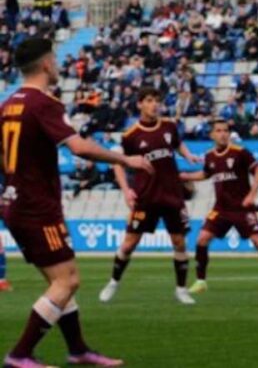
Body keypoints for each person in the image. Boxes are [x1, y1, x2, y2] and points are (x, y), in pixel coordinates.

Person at [2, 38, 153, 367]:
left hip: (16, 202)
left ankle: (78, 348)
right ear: (46, 64)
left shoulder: (8, 103)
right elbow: (80, 148)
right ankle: (19, 355)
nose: (57, 66)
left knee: (61, 279)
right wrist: (127, 160)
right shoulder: (44, 103)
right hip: (36, 207)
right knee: (67, 281)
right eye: (54, 60)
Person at [98, 87, 202, 306]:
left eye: (157, 100)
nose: (154, 104)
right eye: (149, 100)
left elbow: (177, 143)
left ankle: (181, 289)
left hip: (172, 194)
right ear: (140, 104)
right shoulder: (130, 136)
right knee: (128, 245)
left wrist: (188, 154)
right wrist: (126, 190)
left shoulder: (169, 127)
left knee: (179, 243)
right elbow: (118, 162)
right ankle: (113, 282)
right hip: (146, 197)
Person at [180, 120, 258, 295]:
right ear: (212, 135)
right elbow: (206, 174)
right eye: (219, 131)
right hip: (221, 209)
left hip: (242, 208)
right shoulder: (210, 156)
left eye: (225, 130)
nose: (222, 134)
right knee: (202, 239)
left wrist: (253, 193)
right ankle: (200, 281)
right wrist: (185, 176)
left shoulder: (240, 152)